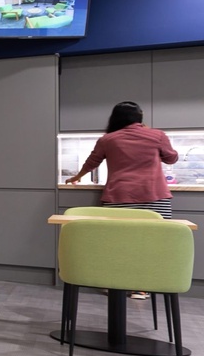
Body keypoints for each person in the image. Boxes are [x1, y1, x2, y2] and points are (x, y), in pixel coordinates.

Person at [65, 101, 179, 298]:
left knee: (118, 242)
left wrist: (76, 177)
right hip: (154, 197)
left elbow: (92, 161)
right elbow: (171, 158)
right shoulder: (156, 135)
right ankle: (140, 287)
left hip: (120, 197)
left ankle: (114, 283)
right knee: (150, 243)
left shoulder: (108, 139)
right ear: (140, 118)